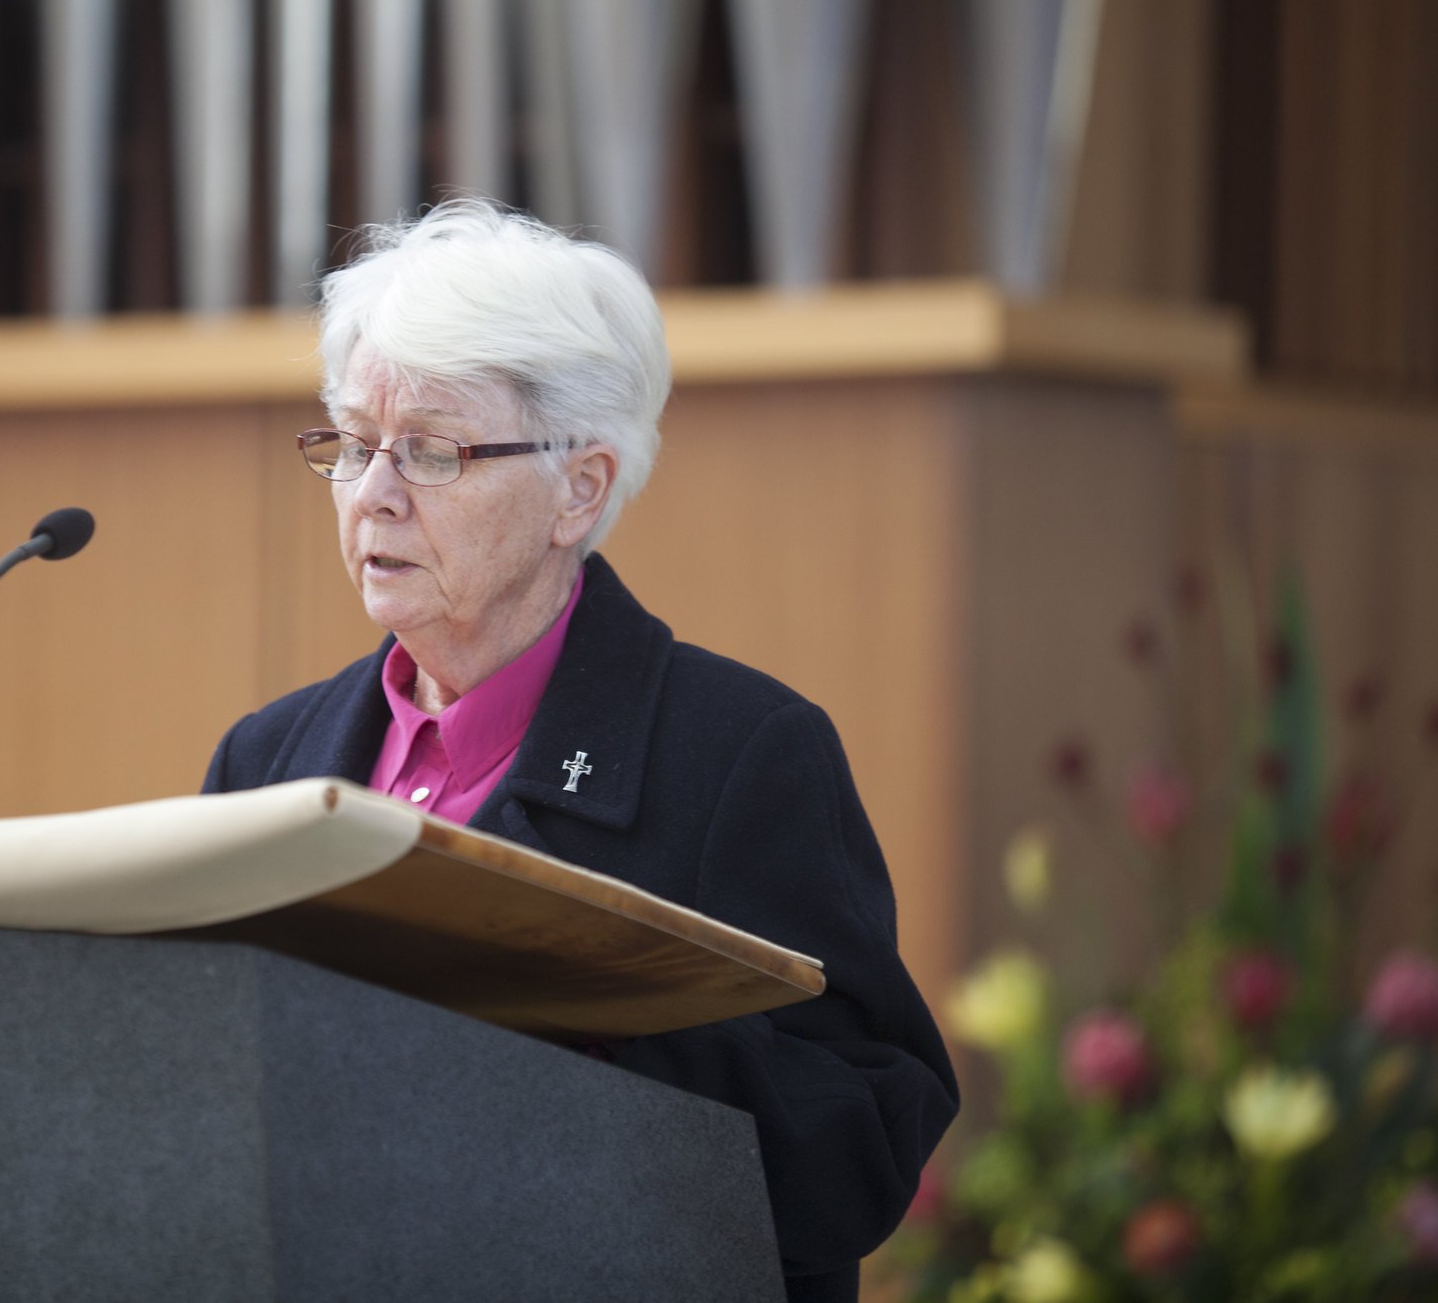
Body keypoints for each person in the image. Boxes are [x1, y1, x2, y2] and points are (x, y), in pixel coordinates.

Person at [202, 199, 957, 1301]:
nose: (371, 495)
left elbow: (859, 1151)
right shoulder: (265, 761)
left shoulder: (742, 755)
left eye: (429, 451)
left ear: (580, 489)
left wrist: (585, 1022)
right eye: (353, 445)